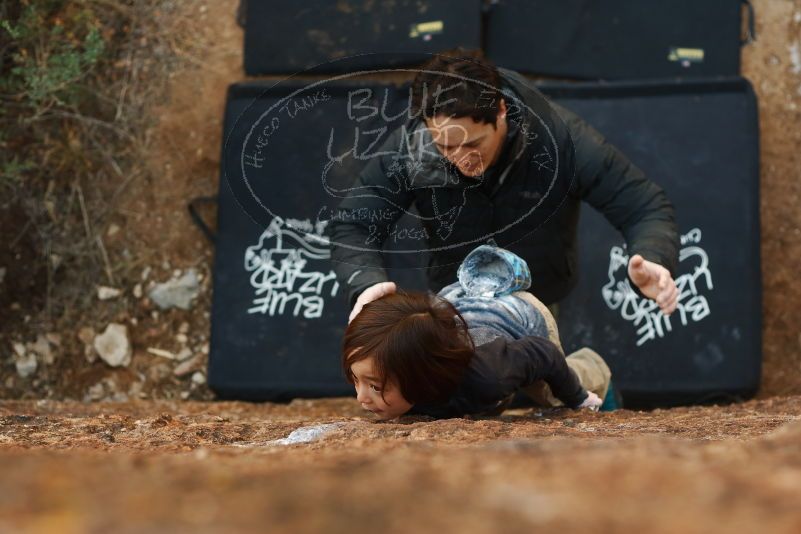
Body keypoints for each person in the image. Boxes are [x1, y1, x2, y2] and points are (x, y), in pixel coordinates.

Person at [328, 50, 680, 324]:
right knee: (455, 400)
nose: (459, 159)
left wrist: (653, 258)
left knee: (552, 386)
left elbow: (643, 206)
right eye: (445, 147)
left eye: (473, 145)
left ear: (500, 112)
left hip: (537, 295)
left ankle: (591, 375)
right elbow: (353, 225)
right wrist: (367, 283)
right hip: (454, 296)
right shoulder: (411, 147)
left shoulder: (560, 140)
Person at [342, 245, 611, 420]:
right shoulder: (411, 370)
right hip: (454, 304)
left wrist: (579, 398)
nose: (361, 398)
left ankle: (600, 381)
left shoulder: (488, 374)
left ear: (422, 377)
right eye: (357, 381)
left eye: (375, 386)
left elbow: (545, 354)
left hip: (517, 316)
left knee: (550, 394)